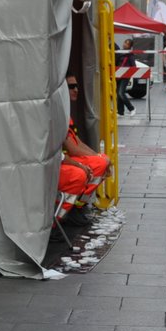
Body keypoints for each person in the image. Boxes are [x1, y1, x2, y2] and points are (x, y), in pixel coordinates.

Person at [58, 75, 110, 226]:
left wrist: (98, 156)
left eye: (76, 86)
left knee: (101, 161)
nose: (76, 90)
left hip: (66, 160)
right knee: (82, 173)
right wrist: (92, 162)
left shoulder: (66, 113)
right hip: (60, 164)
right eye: (71, 87)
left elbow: (78, 142)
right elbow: (73, 150)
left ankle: (78, 206)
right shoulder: (60, 114)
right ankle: (64, 216)